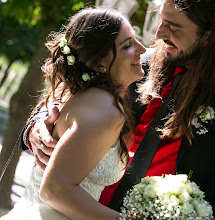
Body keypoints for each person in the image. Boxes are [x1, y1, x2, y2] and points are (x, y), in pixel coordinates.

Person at [20, 0, 215, 219]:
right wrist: (35, 127)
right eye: (161, 20)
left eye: (173, 26)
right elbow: (73, 99)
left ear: (209, 36)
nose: (157, 35)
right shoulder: (132, 66)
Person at [2, 7, 146, 220]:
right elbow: (54, 190)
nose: (142, 49)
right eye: (127, 45)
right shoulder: (105, 108)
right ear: (99, 64)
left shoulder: (80, 95)